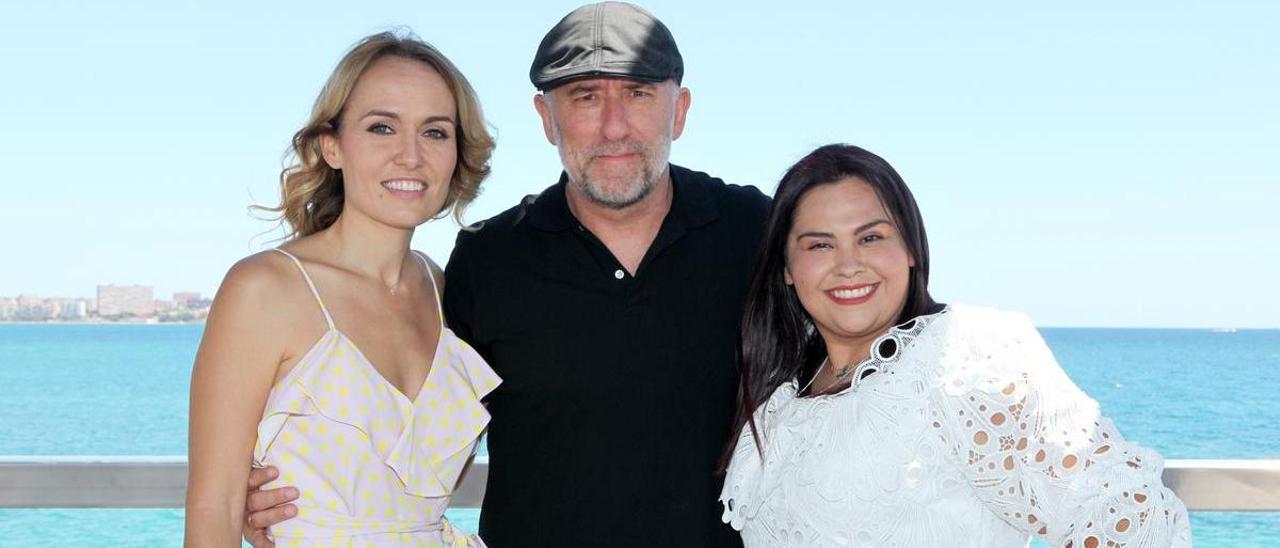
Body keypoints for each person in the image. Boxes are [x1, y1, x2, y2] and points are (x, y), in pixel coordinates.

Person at [244, 2, 767, 547]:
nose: (614, 126)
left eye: (638, 94)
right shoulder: (487, 258)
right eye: (585, 97)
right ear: (546, 118)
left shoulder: (759, 232)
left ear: (679, 110)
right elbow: (415, 431)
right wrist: (287, 495)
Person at [718, 144, 1193, 547]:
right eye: (820, 245)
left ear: (910, 249)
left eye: (871, 237)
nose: (848, 264)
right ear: (786, 267)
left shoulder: (963, 356)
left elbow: (1130, 513)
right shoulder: (782, 391)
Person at [185, 31, 498, 547]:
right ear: (332, 145)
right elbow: (212, 512)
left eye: (436, 133)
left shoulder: (443, 291)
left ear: (456, 154)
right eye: (381, 128)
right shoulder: (265, 290)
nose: (411, 156)